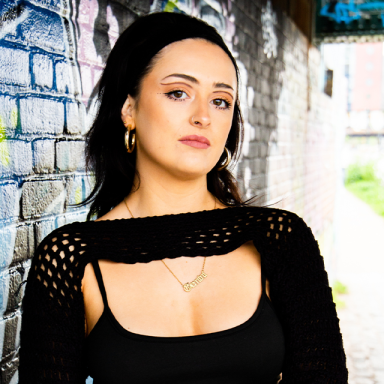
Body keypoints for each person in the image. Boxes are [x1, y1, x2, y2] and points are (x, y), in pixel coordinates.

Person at [19, 12, 348, 383]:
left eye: (221, 101)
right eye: (178, 93)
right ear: (129, 109)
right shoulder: (71, 259)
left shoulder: (279, 239)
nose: (203, 116)